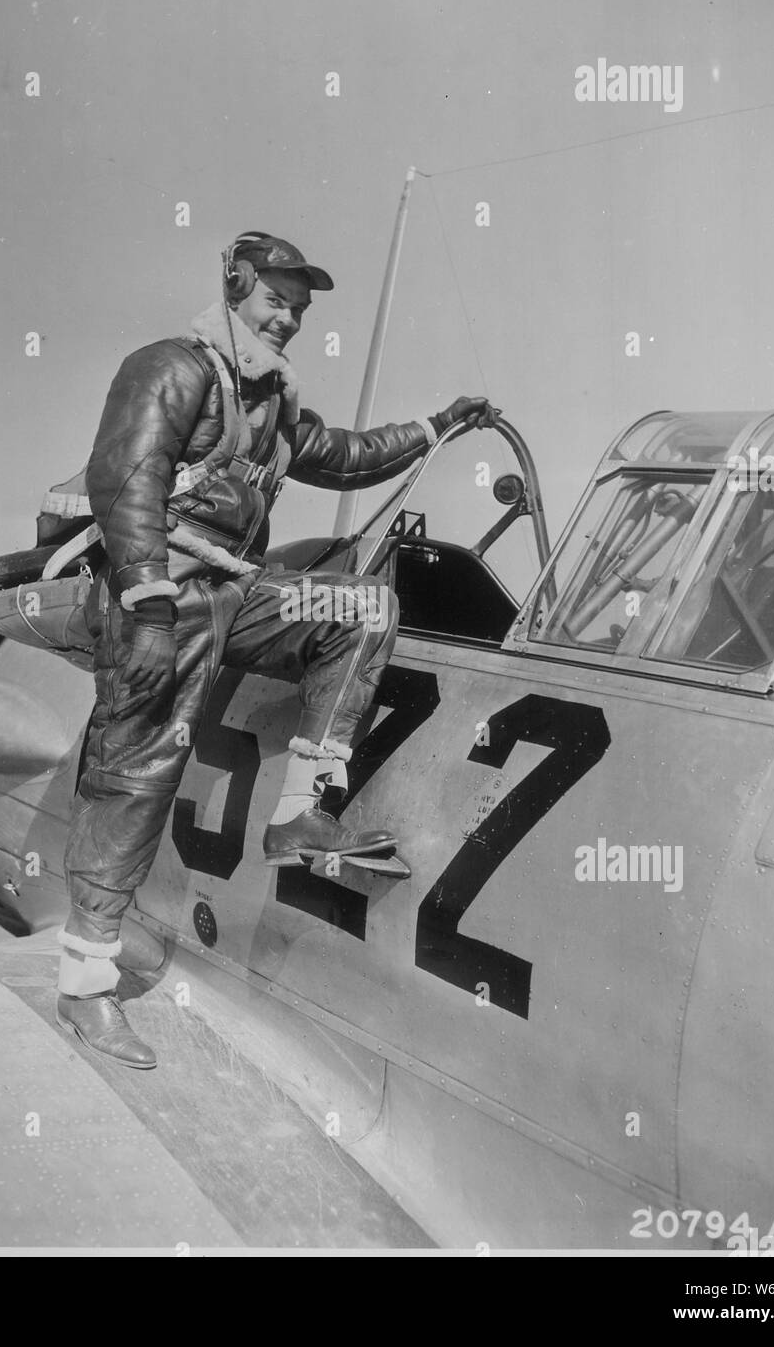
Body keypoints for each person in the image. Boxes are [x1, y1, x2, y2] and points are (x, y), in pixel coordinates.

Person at [55, 230, 493, 1068]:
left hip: (235, 592)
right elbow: (126, 482)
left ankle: (301, 814)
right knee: (138, 780)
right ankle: (84, 985)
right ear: (235, 286)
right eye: (275, 300)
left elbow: (347, 457)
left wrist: (436, 425)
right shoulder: (170, 368)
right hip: (162, 597)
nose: (288, 318)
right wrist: (146, 611)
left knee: (359, 606)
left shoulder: (272, 403)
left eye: (298, 307)